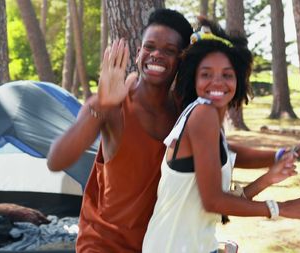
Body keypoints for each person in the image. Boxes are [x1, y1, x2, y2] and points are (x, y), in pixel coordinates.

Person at [141, 18, 300, 253]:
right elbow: (214, 200)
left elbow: (221, 199)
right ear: (194, 80)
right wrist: (280, 208)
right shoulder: (202, 114)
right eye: (206, 74)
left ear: (238, 80)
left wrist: (275, 169)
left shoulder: (210, 121)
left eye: (227, 74)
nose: (217, 82)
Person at [47, 8, 194, 252]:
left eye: (169, 50)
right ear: (138, 54)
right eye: (149, 47)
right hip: (103, 244)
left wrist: (273, 161)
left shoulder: (184, 111)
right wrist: (102, 105)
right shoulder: (111, 104)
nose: (156, 54)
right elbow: (56, 160)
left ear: (181, 59)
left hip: (157, 245)